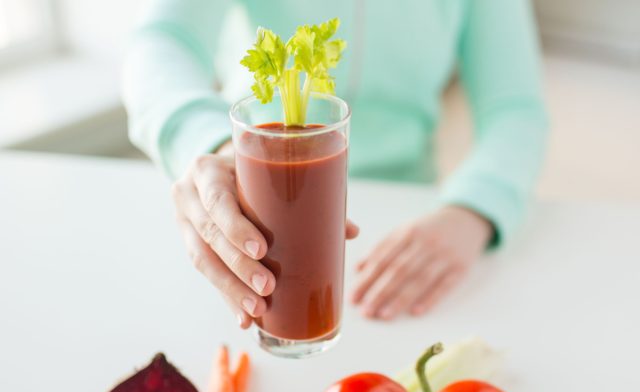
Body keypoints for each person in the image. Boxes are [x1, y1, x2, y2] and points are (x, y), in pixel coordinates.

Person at [123, 0, 548, 327]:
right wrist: (206, 141)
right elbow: (161, 43)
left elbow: (516, 109)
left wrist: (474, 208)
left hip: (409, 214)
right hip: (250, 203)